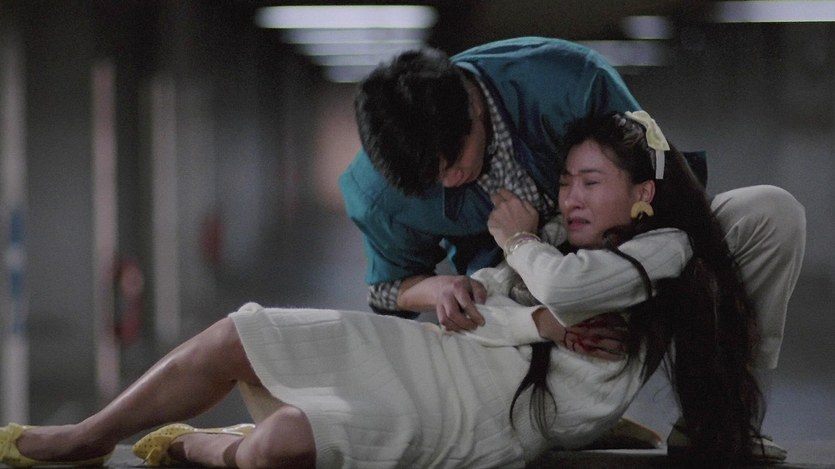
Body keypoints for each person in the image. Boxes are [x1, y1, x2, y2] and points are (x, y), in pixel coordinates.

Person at [0, 111, 783, 467]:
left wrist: (521, 252)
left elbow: (571, 289)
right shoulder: (549, 246)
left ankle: (200, 444)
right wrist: (525, 317)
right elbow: (485, 306)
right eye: (566, 182)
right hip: (429, 353)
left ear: (642, 193)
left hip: (473, 416)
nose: (569, 198)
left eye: (590, 182)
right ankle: (88, 435)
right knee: (245, 330)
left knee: (280, 446)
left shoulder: (659, 254)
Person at [340, 37, 804, 375]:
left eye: (453, 163)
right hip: (520, 311)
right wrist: (439, 288)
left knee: (769, 213)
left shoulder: (569, 83)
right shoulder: (376, 189)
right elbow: (388, 288)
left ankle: (724, 413)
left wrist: (702, 310)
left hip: (631, 253)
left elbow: (665, 186)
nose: (450, 181)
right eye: (432, 181)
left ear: (472, 107)